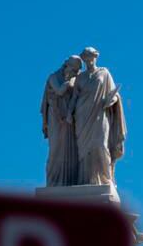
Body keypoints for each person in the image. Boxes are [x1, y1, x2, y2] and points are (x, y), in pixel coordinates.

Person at [67, 47, 126, 185]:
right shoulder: (80, 77)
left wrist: (111, 100)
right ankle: (86, 179)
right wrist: (70, 112)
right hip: (82, 115)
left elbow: (114, 94)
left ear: (95, 57)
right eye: (86, 57)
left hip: (100, 113)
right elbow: (75, 96)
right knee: (83, 149)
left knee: (100, 144)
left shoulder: (104, 73)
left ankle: (106, 178)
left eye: (91, 57)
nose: (89, 60)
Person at [41, 55, 82, 186]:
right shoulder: (53, 77)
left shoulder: (75, 78)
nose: (75, 73)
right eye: (74, 69)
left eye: (76, 71)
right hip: (56, 117)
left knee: (70, 148)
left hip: (69, 119)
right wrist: (69, 84)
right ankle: (54, 180)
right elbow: (59, 91)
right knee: (56, 147)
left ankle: (69, 180)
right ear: (67, 66)